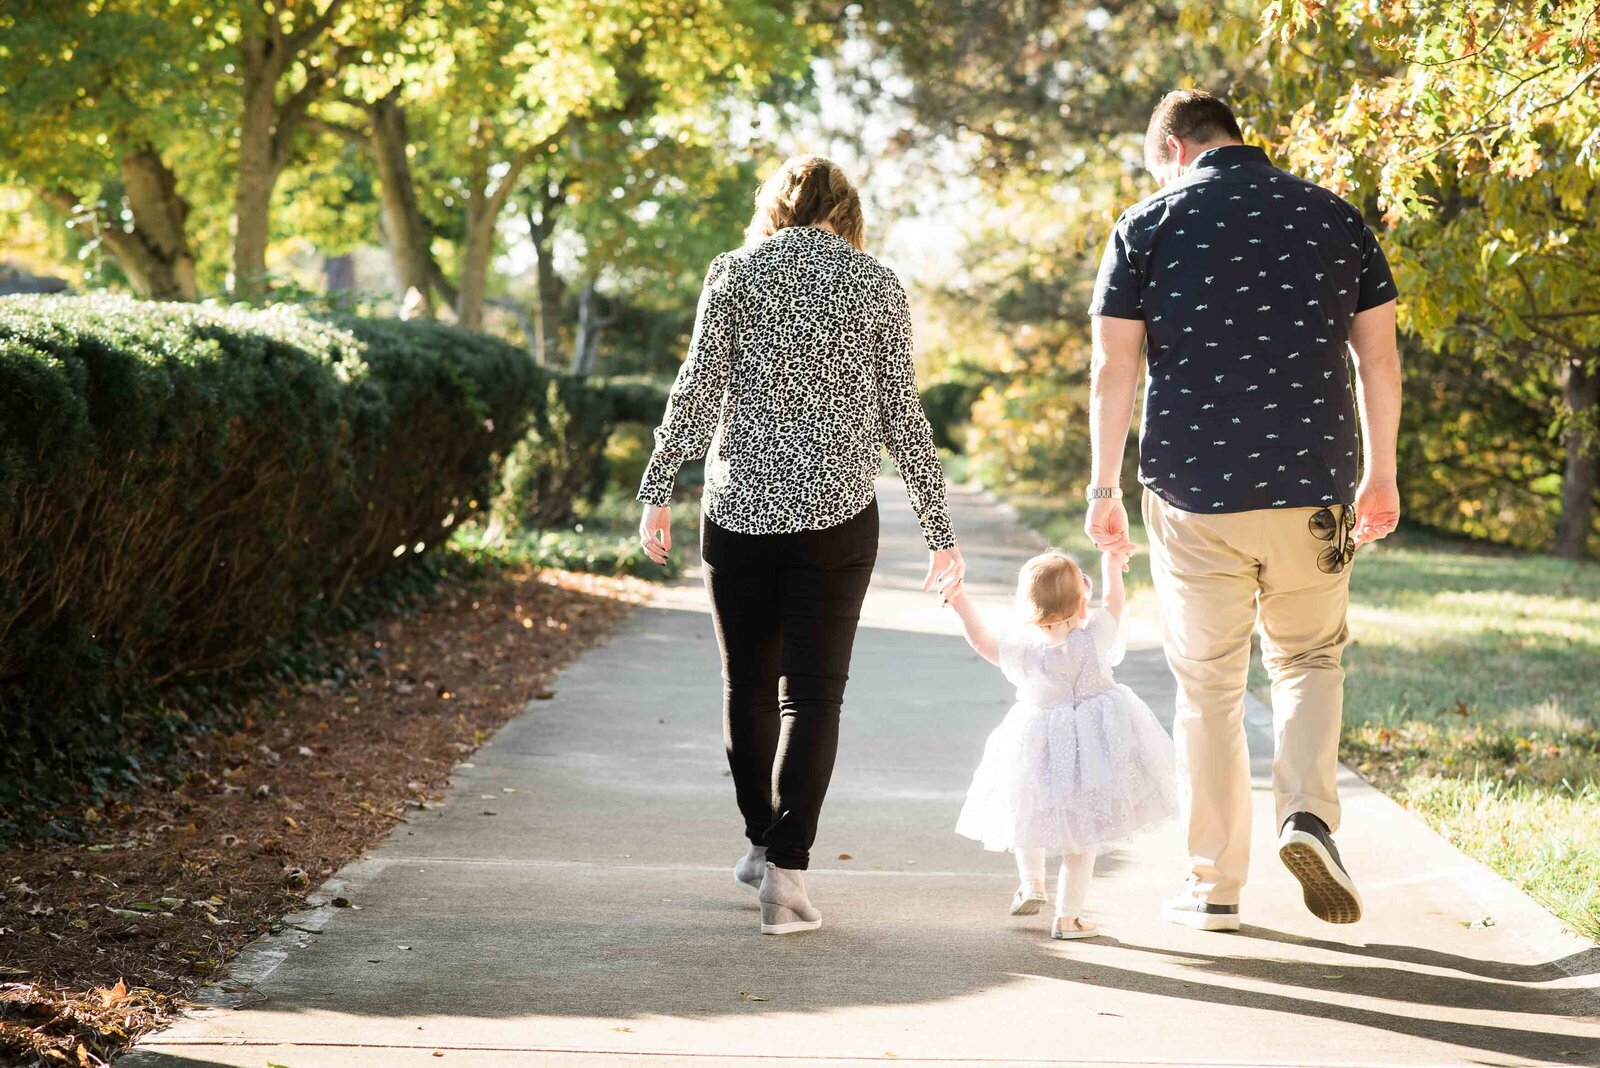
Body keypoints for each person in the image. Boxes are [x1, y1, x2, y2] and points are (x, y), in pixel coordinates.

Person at [1085, 89, 1402, 930]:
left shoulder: (1145, 224)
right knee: (1307, 662)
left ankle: (1214, 883)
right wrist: (1383, 475)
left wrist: (1102, 486)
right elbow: (1379, 359)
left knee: (1210, 688)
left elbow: (1114, 367)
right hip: (1316, 489)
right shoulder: (1336, 218)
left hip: (1195, 495)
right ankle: (1308, 817)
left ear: (1175, 150)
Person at [636, 154, 964, 936]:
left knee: (745, 687)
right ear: (845, 212)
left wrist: (656, 487)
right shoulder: (876, 283)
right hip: (837, 515)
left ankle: (760, 840)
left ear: (775, 208)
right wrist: (938, 529)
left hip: (738, 509)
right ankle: (785, 876)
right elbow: (901, 414)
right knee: (811, 697)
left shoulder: (734, 271)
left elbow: (697, 387)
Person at [941, 549, 1178, 940]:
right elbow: (1115, 601)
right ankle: (1068, 919)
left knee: (1027, 812)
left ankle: (1032, 883)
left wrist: (959, 600)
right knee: (1082, 838)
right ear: (1081, 599)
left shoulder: (1021, 649)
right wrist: (1111, 562)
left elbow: (982, 641)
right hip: (1091, 749)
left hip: (1035, 740)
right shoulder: (1094, 635)